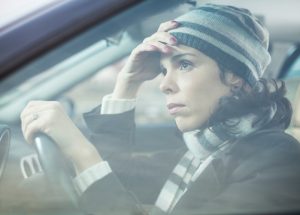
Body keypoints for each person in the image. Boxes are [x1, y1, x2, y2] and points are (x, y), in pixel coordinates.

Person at [20, 3, 300, 215]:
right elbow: (112, 174)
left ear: (236, 77)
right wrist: (126, 85)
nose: (164, 84)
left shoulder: (281, 159)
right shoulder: (200, 148)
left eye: (185, 64)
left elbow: (96, 172)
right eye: (164, 69)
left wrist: (81, 153)